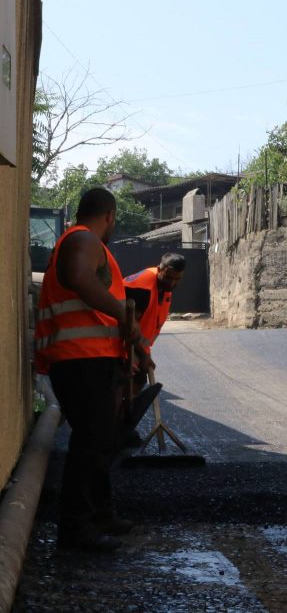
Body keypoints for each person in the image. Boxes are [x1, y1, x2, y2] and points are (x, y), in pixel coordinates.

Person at [34, 187, 141, 551]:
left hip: (86, 358)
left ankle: (99, 514)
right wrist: (121, 314)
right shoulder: (83, 239)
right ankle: (76, 530)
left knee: (100, 440)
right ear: (109, 215)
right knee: (90, 443)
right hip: (82, 359)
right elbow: (80, 278)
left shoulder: (77, 240)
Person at [121, 253, 186, 445]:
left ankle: (123, 428)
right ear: (161, 268)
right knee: (122, 386)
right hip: (117, 344)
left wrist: (145, 354)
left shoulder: (164, 288)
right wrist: (142, 355)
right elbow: (129, 327)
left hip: (135, 346)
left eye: (177, 279)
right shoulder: (141, 288)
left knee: (137, 380)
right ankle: (116, 432)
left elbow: (147, 326)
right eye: (168, 277)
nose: (172, 283)